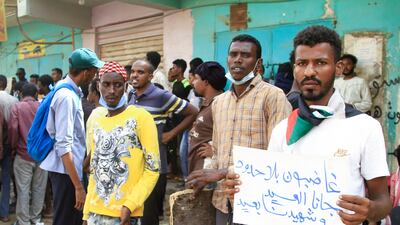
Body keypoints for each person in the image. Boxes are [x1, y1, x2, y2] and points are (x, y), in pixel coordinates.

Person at [224, 25, 391, 225]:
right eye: (302, 63)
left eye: (320, 63)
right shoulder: (282, 129)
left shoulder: (364, 127)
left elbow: (383, 201)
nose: (309, 71)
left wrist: (370, 210)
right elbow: (271, 195)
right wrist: (245, 195)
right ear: (294, 67)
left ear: (338, 67)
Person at [186, 34, 292, 225]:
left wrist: (224, 172)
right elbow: (218, 151)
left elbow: (280, 157)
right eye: (233, 54)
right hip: (222, 200)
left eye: (245, 55)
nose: (238, 59)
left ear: (258, 63)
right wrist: (207, 176)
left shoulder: (273, 96)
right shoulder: (219, 102)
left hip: (258, 202)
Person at [82, 61, 159, 225]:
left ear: (125, 86)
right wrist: (86, 214)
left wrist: (129, 205)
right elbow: (95, 171)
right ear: (98, 85)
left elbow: (153, 169)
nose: (111, 91)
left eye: (117, 85)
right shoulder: (98, 122)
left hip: (124, 215)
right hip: (95, 214)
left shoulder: (141, 117)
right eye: (106, 84)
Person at [128, 59, 198, 225]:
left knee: (148, 216)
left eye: (140, 72)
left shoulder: (161, 96)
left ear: (151, 76)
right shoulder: (131, 95)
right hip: (133, 165)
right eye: (133, 72)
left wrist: (171, 134)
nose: (135, 75)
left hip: (154, 167)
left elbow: (193, 112)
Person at [39, 48, 104, 225]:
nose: (96, 75)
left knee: (71, 218)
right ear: (86, 72)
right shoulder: (66, 97)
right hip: (65, 172)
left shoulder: (68, 90)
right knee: (66, 219)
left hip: (68, 170)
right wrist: (78, 186)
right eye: (94, 71)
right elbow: (63, 145)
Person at [8, 83, 47, 225]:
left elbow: (13, 129)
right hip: (42, 156)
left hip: (23, 154)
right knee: (39, 189)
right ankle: (36, 219)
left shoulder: (17, 107)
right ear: (36, 94)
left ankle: (23, 221)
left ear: (21, 94)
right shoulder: (42, 107)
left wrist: (13, 148)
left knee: (23, 190)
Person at [188, 61, 227, 173]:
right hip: (197, 166)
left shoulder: (220, 105)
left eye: (196, 79)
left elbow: (231, 136)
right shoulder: (208, 103)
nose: (193, 83)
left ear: (205, 82)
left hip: (206, 170)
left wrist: (215, 153)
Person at [0, 75, 18, 222]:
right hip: (7, 144)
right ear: (5, 84)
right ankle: (4, 212)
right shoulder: (14, 101)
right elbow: (13, 126)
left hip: (3, 143)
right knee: (6, 179)